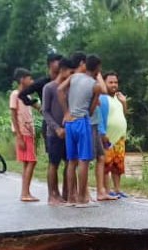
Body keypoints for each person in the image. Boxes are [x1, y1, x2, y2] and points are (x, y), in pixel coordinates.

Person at [59, 53, 103, 207]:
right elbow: (91, 110)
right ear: (97, 68)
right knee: (84, 160)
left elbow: (60, 90)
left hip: (69, 123)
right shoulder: (95, 85)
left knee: (72, 161)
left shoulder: (74, 77)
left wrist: (66, 112)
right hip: (82, 122)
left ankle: (71, 198)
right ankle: (81, 198)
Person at [42, 57, 75, 205]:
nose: (72, 75)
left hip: (69, 132)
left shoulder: (71, 88)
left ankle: (67, 193)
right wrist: (56, 128)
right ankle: (52, 194)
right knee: (53, 163)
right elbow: (45, 111)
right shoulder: (49, 88)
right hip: (54, 132)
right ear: (63, 70)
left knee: (70, 162)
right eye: (71, 72)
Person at [89, 58, 117, 202]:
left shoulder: (106, 97)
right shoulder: (96, 90)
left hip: (100, 129)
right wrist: (102, 131)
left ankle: (102, 191)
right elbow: (97, 112)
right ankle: (86, 192)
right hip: (95, 128)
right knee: (86, 160)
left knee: (101, 158)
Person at [9, 69, 39, 202]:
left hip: (29, 132)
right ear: (22, 79)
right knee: (32, 161)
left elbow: (37, 107)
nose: (31, 81)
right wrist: (19, 136)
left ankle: (26, 192)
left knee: (27, 162)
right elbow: (13, 115)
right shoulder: (15, 94)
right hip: (23, 132)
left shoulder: (26, 96)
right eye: (29, 78)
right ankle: (25, 193)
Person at [102, 72, 128, 198]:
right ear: (104, 83)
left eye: (116, 82)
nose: (114, 85)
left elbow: (124, 114)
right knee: (106, 165)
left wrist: (124, 102)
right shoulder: (102, 98)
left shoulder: (119, 97)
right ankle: (107, 191)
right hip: (107, 137)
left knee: (118, 165)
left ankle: (117, 190)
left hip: (119, 137)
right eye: (111, 82)